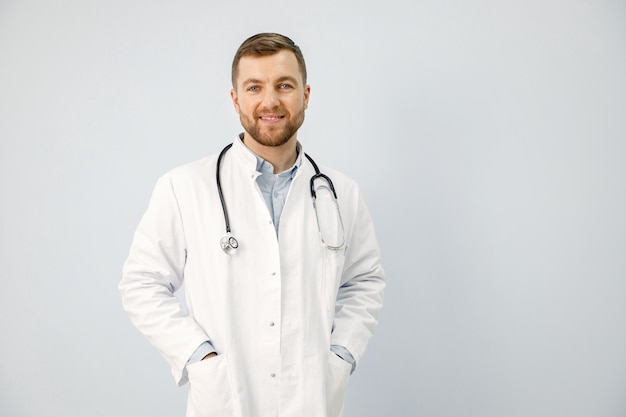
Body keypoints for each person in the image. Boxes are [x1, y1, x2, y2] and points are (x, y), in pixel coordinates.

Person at [119, 33, 385, 417]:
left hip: (311, 398)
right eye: (255, 87)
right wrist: (200, 358)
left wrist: (340, 357)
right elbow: (140, 284)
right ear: (235, 99)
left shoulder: (341, 193)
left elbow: (365, 282)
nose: (270, 101)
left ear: (306, 95)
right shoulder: (184, 187)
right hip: (225, 400)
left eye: (284, 85)